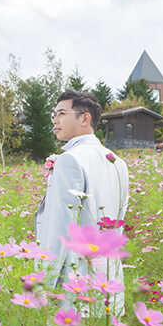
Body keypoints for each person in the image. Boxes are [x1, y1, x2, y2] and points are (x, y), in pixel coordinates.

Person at [35, 90, 130, 314]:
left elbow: (60, 227)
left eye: (61, 113)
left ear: (84, 119)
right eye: (53, 114)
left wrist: (42, 283)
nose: (54, 120)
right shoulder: (118, 162)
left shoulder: (70, 159)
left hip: (76, 276)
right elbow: (118, 221)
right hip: (108, 274)